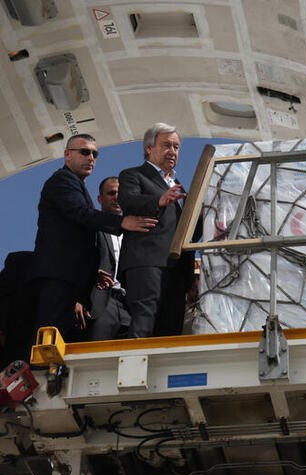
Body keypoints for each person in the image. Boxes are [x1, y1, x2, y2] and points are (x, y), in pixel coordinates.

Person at [30, 134, 158, 341]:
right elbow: (80, 213)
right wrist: (121, 222)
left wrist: (92, 271)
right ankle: (39, 372)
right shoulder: (62, 180)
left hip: (72, 279)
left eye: (94, 154)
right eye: (84, 152)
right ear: (67, 155)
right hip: (59, 276)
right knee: (51, 337)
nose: (91, 157)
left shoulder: (77, 185)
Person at [118, 123, 198, 338]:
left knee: (171, 329)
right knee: (145, 322)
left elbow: (188, 231)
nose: (172, 151)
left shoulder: (180, 187)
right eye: (166, 145)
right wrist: (159, 201)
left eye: (176, 147)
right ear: (149, 149)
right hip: (146, 263)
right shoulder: (133, 175)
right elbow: (128, 201)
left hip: (177, 269)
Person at [76, 177, 132, 341]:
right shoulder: (91, 227)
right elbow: (75, 261)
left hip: (130, 307)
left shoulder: (136, 233)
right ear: (100, 199)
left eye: (120, 193)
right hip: (99, 304)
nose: (116, 197)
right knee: (93, 360)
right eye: (111, 193)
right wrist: (76, 299)